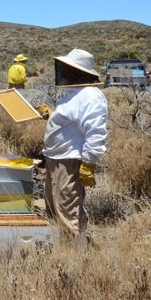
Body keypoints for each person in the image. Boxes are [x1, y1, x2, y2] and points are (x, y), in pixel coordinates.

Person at [43, 49, 108, 249]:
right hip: (56, 159)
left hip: (69, 161)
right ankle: (66, 251)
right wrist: (52, 114)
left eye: (69, 68)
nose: (65, 72)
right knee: (55, 207)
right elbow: (72, 121)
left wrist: (88, 162)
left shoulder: (91, 95)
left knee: (67, 210)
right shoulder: (75, 94)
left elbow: (95, 131)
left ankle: (75, 261)